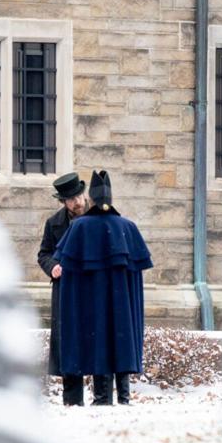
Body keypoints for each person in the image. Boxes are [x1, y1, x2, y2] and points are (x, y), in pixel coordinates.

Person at [53, 170, 152, 406]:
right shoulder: (128, 227)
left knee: (99, 338)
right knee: (120, 335)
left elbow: (65, 263)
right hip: (119, 305)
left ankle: (102, 398)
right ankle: (123, 398)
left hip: (92, 304)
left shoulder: (80, 228)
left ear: (91, 198)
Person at [38, 172, 89, 406]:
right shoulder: (54, 223)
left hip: (92, 289)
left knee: (97, 341)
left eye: (79, 196)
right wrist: (53, 267)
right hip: (66, 291)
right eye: (71, 199)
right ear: (63, 201)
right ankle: (73, 401)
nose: (77, 202)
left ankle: (103, 399)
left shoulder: (99, 217)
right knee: (69, 342)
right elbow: (44, 254)